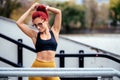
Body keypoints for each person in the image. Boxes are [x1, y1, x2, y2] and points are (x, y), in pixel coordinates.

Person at [16, 2, 61, 80]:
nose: (38, 27)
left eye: (40, 24)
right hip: (36, 69)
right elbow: (19, 23)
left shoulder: (55, 31)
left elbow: (58, 12)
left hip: (51, 70)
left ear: (46, 20)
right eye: (35, 25)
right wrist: (31, 8)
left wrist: (47, 8)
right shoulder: (35, 35)